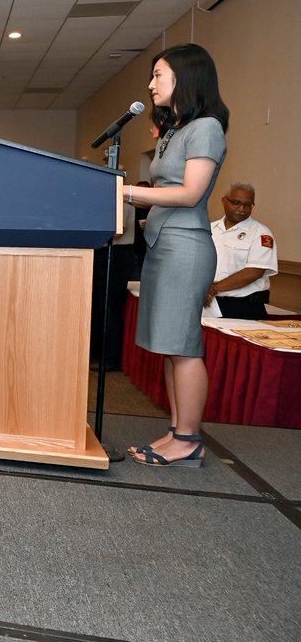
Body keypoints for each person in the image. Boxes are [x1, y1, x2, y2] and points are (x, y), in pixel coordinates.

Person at [127, 43, 228, 468]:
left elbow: (190, 193)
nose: (151, 85)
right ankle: (176, 430)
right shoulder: (176, 129)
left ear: (185, 78)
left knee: (184, 345)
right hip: (164, 243)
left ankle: (188, 439)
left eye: (159, 75)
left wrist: (127, 192)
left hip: (185, 247)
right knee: (171, 345)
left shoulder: (206, 127)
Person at [207, 182, 277, 320]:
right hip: (207, 303)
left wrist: (214, 289)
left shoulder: (261, 233)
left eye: (248, 205)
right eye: (236, 202)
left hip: (242, 307)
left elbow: (254, 272)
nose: (241, 208)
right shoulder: (209, 229)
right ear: (223, 201)